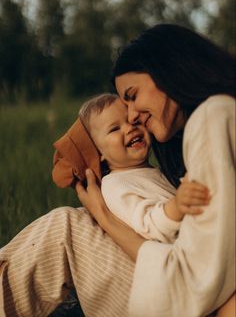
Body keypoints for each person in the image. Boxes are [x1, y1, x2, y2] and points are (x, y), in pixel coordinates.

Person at [0, 24, 235, 317]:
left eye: (133, 96)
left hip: (191, 294)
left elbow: (199, 268)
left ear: (169, 70)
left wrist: (102, 215)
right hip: (182, 280)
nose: (133, 116)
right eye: (125, 108)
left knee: (66, 226)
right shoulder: (182, 140)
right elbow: (93, 126)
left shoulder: (213, 117)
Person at [78, 93, 210, 241]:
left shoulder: (156, 171)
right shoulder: (114, 185)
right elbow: (147, 226)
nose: (129, 128)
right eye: (115, 129)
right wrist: (176, 206)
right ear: (98, 152)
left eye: (134, 122)